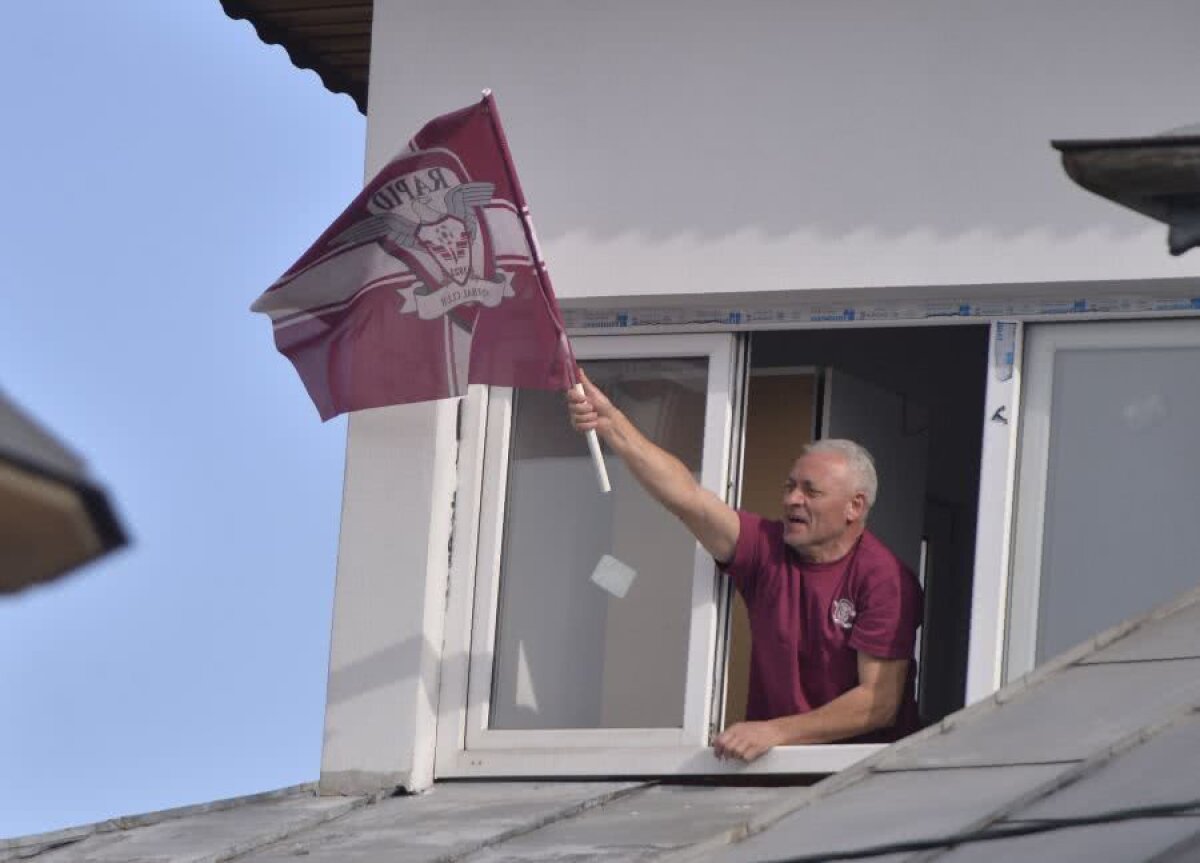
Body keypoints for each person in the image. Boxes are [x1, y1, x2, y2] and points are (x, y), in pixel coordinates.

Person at [567, 368, 923, 762]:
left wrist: (773, 731)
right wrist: (611, 422)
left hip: (858, 778)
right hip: (774, 772)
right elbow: (687, 497)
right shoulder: (767, 549)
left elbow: (877, 703)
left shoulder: (885, 579)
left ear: (855, 506)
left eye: (811, 491)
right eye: (790, 487)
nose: (792, 500)